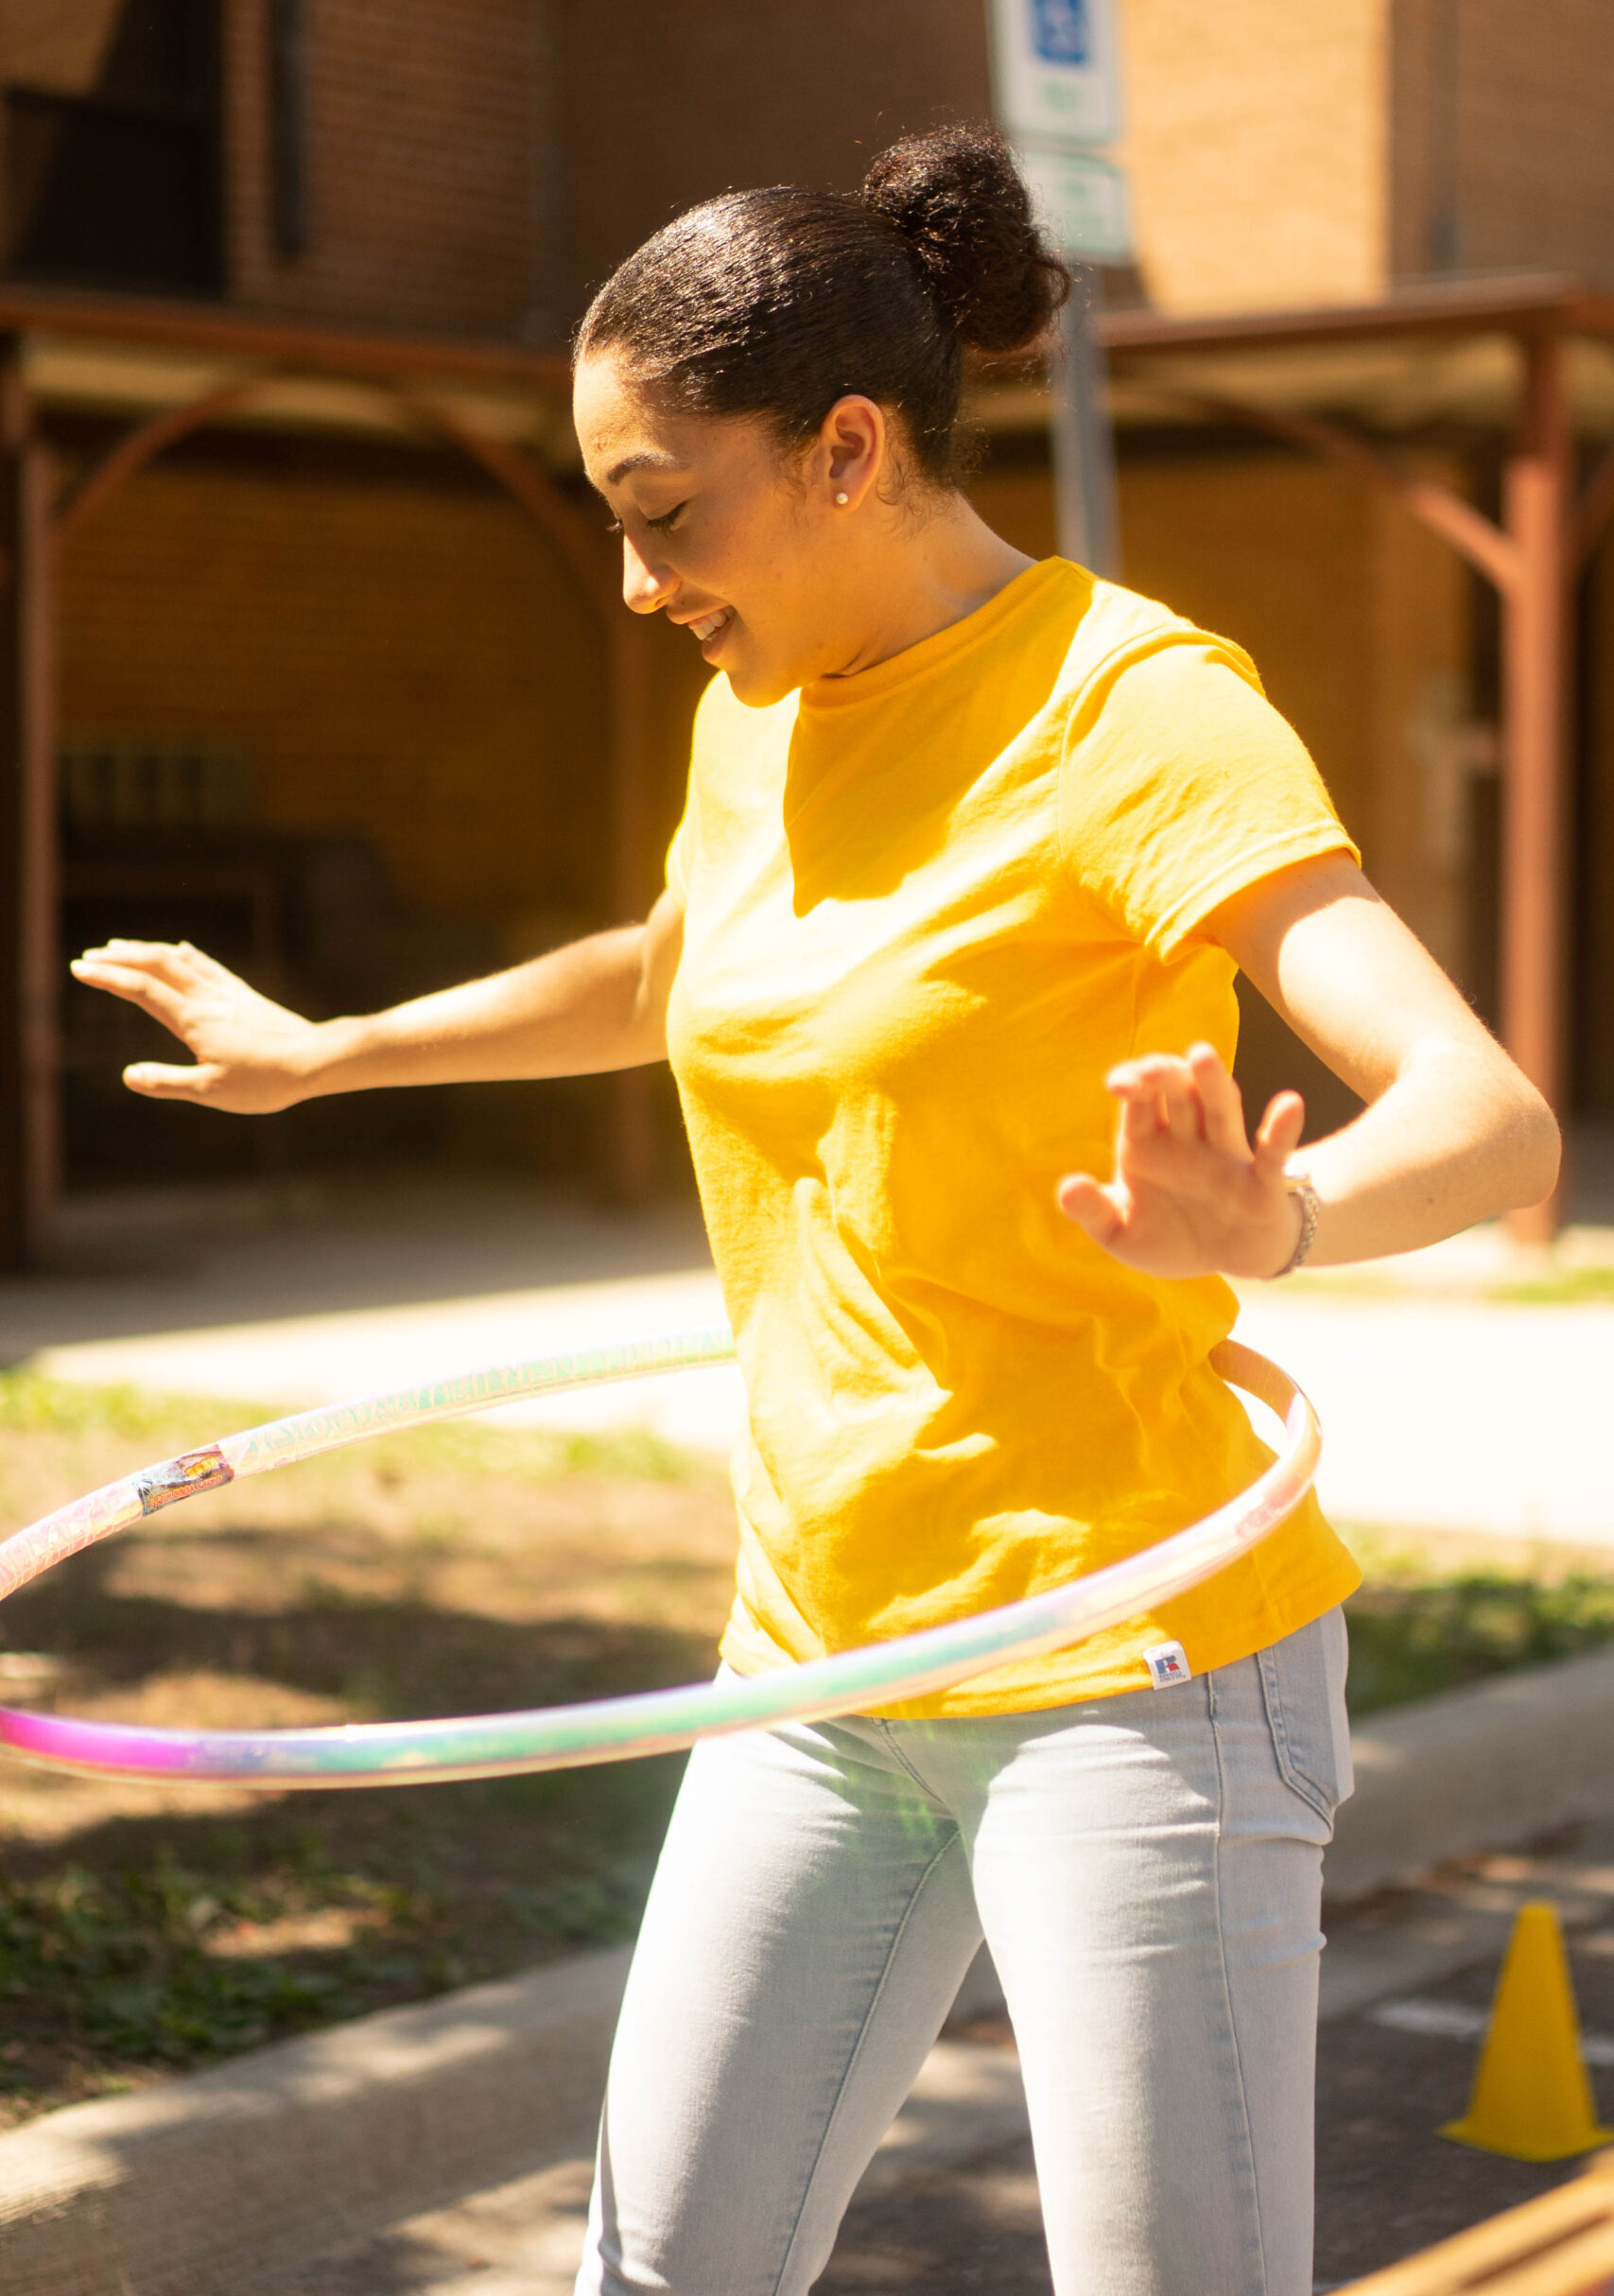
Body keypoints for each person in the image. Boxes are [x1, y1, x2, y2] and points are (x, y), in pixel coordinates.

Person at [73, 126, 1557, 2296]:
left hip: (1128, 1659)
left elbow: (1484, 1112)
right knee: (659, 2268)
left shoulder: (1130, 711)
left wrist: (1276, 1220)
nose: (633, 576)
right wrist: (341, 1049)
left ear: (846, 447)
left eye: (662, 511)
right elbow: (682, 967)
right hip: (819, 1655)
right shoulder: (754, 713)